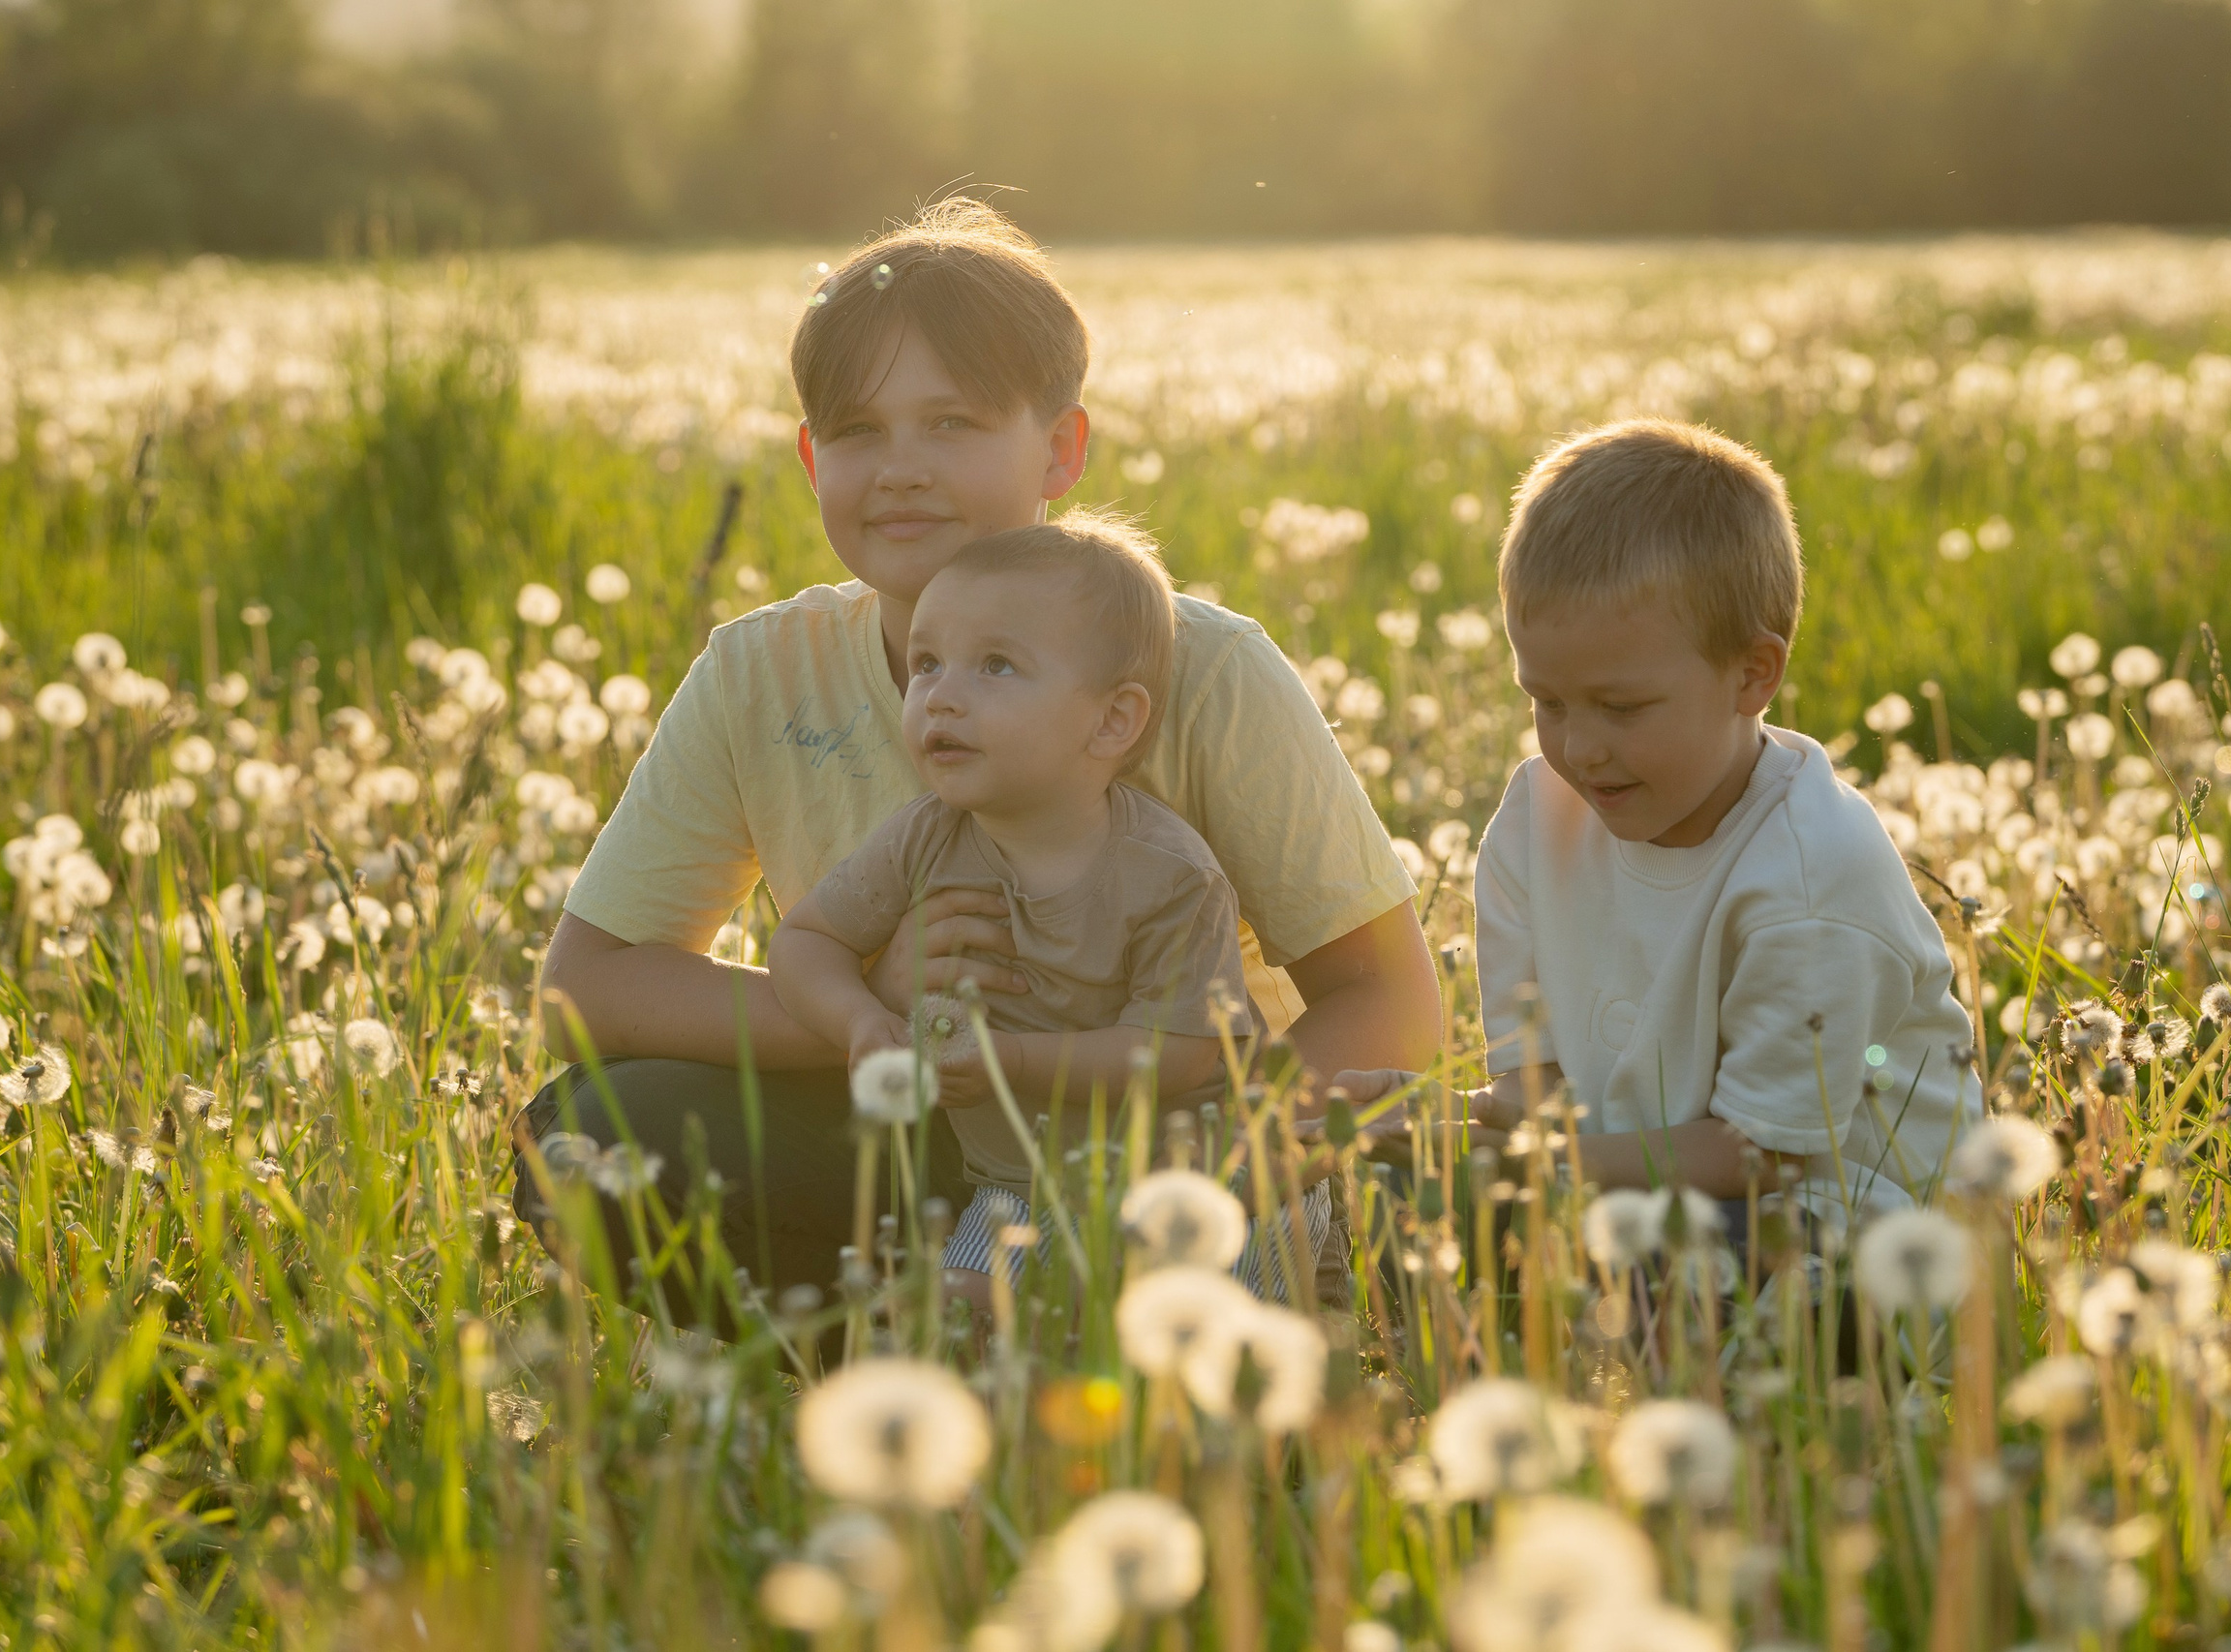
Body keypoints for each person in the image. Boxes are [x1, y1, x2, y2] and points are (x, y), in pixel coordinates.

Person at [517, 199, 1436, 1317]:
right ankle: (894, 1363)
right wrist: (868, 1003)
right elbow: (586, 991)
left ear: (1059, 449)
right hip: (908, 1135)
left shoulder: (1204, 668)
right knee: (588, 1134)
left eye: (950, 422)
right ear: (810, 459)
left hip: (1175, 1145)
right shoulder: (760, 672)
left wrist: (1222, 1179)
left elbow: (1388, 998)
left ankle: (1130, 1319)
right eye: (857, 432)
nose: (899, 468)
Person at [1333, 418, 1982, 1236]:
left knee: (1702, 1263)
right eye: (1549, 702)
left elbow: (1762, 1155)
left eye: (1621, 707)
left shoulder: (1813, 878)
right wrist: (1441, 1124)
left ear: (1753, 674)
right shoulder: (1538, 826)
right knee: (1420, 1201)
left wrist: (1519, 1163)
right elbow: (1539, 1101)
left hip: (1840, 1218)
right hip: (1633, 1177)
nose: (1578, 747)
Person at [770, 514, 1300, 1302]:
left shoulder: (1169, 876)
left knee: (1195, 1359)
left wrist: (1009, 1066)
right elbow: (806, 942)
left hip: (1192, 1184)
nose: (942, 696)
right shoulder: (926, 835)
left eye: (995, 666)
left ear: (1112, 720)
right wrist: (858, 1020)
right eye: (926, 664)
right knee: (959, 1324)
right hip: (1017, 1189)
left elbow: (1180, 1052)